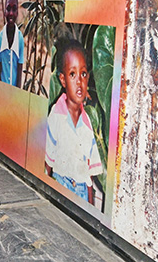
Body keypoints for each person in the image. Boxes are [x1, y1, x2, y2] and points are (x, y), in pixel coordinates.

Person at [44, 38, 104, 204]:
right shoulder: (56, 116)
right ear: (62, 80)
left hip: (82, 192)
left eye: (83, 74)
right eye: (72, 74)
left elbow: (89, 175)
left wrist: (90, 205)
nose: (79, 82)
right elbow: (47, 164)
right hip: (60, 185)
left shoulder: (87, 123)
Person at [0, 0, 24, 88]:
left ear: (17, 12)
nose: (11, 13)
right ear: (4, 12)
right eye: (8, 9)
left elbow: (19, 71)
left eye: (14, 9)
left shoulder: (20, 39)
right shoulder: (0, 38)